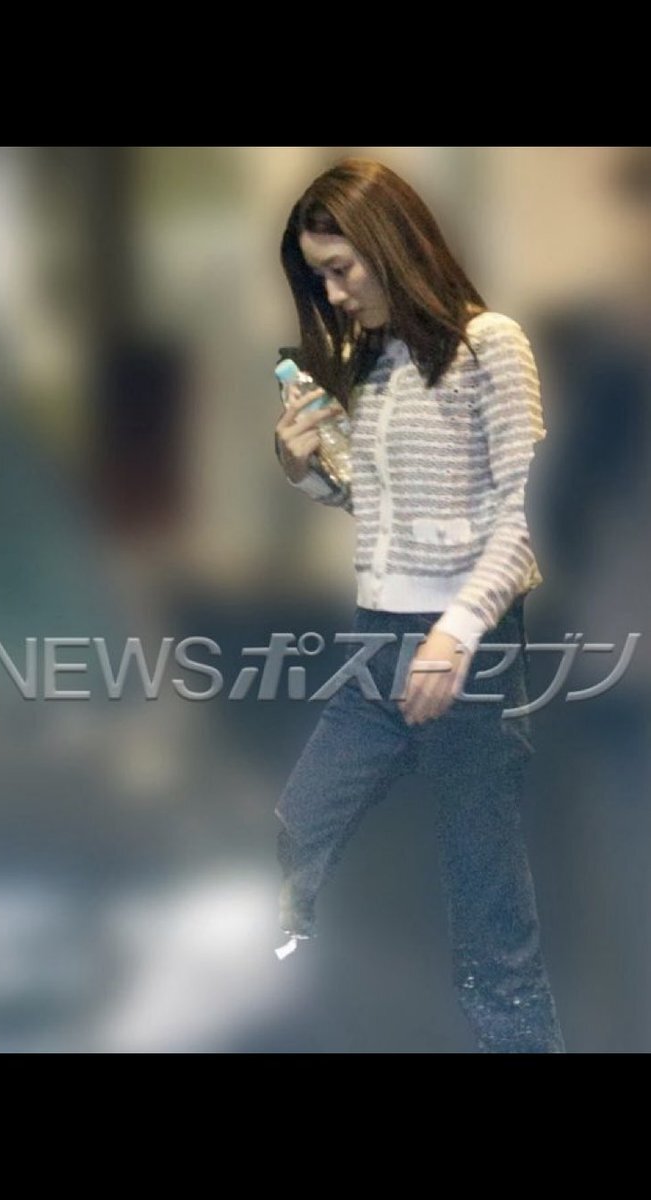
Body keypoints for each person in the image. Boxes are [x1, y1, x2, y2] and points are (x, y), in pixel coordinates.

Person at [271, 156, 566, 1053]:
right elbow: (384, 511)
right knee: (294, 834)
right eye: (319, 277)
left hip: (469, 652)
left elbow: (525, 515)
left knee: (488, 914)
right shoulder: (373, 363)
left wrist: (455, 632)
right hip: (377, 643)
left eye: (340, 269)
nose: (332, 293)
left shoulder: (490, 345)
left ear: (391, 244)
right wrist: (302, 469)